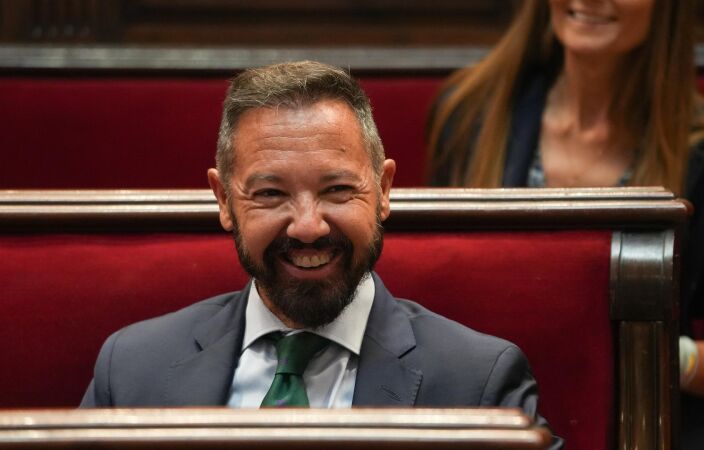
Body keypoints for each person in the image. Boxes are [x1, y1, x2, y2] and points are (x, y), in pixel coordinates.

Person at [80, 60, 562, 448]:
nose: (308, 226)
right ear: (224, 200)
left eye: (336, 190)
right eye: (270, 194)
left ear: (384, 190)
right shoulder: (132, 367)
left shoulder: (478, 381)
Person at [427, 1, 704, 449]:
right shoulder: (470, 113)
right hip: (497, 415)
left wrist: (651, 355)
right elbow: (431, 301)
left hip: (655, 422)